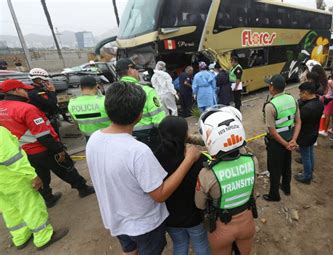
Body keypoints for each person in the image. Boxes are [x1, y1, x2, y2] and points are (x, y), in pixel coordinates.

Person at [86, 81, 202, 255]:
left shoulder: (94, 139)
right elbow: (160, 194)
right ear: (139, 115)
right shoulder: (138, 151)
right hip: (143, 225)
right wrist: (188, 160)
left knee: (130, 250)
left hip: (116, 219)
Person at [0, 79, 94, 208]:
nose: (27, 92)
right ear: (17, 90)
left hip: (24, 151)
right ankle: (83, 188)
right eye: (24, 90)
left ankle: (48, 198)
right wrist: (59, 149)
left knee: (40, 175)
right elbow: (43, 135)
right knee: (66, 168)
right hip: (43, 148)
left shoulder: (2, 108)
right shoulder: (27, 109)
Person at [195, 106, 258, 255]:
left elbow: (199, 204)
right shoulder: (252, 161)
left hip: (221, 228)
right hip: (247, 222)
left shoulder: (207, 173)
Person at [0, 126, 69, 251]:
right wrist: (32, 175)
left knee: (10, 210)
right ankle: (43, 237)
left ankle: (20, 237)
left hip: (2, 183)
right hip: (14, 179)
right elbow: (13, 159)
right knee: (31, 206)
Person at [153, 116, 211, 255]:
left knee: (179, 245)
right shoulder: (198, 158)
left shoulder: (155, 158)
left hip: (171, 217)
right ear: (186, 134)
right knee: (201, 244)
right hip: (194, 216)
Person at [263, 75, 301, 201]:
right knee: (286, 166)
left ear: (272, 88)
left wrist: (285, 144)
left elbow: (272, 131)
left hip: (276, 143)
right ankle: (286, 188)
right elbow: (298, 122)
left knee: (274, 168)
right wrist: (293, 141)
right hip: (290, 138)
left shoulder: (270, 106)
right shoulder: (292, 99)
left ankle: (274, 194)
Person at [116, 58, 166, 148]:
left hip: (121, 140)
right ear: (131, 70)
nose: (137, 72)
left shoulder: (112, 93)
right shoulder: (147, 91)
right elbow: (159, 120)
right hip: (148, 139)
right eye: (136, 69)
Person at [294, 82, 324, 183]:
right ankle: (310, 171)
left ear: (306, 93)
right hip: (313, 133)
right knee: (310, 153)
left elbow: (297, 121)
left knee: (306, 156)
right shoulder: (319, 102)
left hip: (305, 135)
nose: (300, 95)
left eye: (301, 93)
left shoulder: (307, 108)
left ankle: (307, 176)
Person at [68, 76, 110, 141]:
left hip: (89, 139)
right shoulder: (105, 100)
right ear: (96, 86)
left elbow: (76, 123)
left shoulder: (72, 103)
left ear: (80, 87)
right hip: (108, 137)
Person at [28, 68, 60, 135]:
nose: (47, 82)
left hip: (44, 117)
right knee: (53, 135)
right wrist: (52, 91)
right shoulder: (38, 93)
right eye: (45, 80)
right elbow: (52, 104)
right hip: (46, 118)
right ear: (38, 80)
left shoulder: (35, 90)